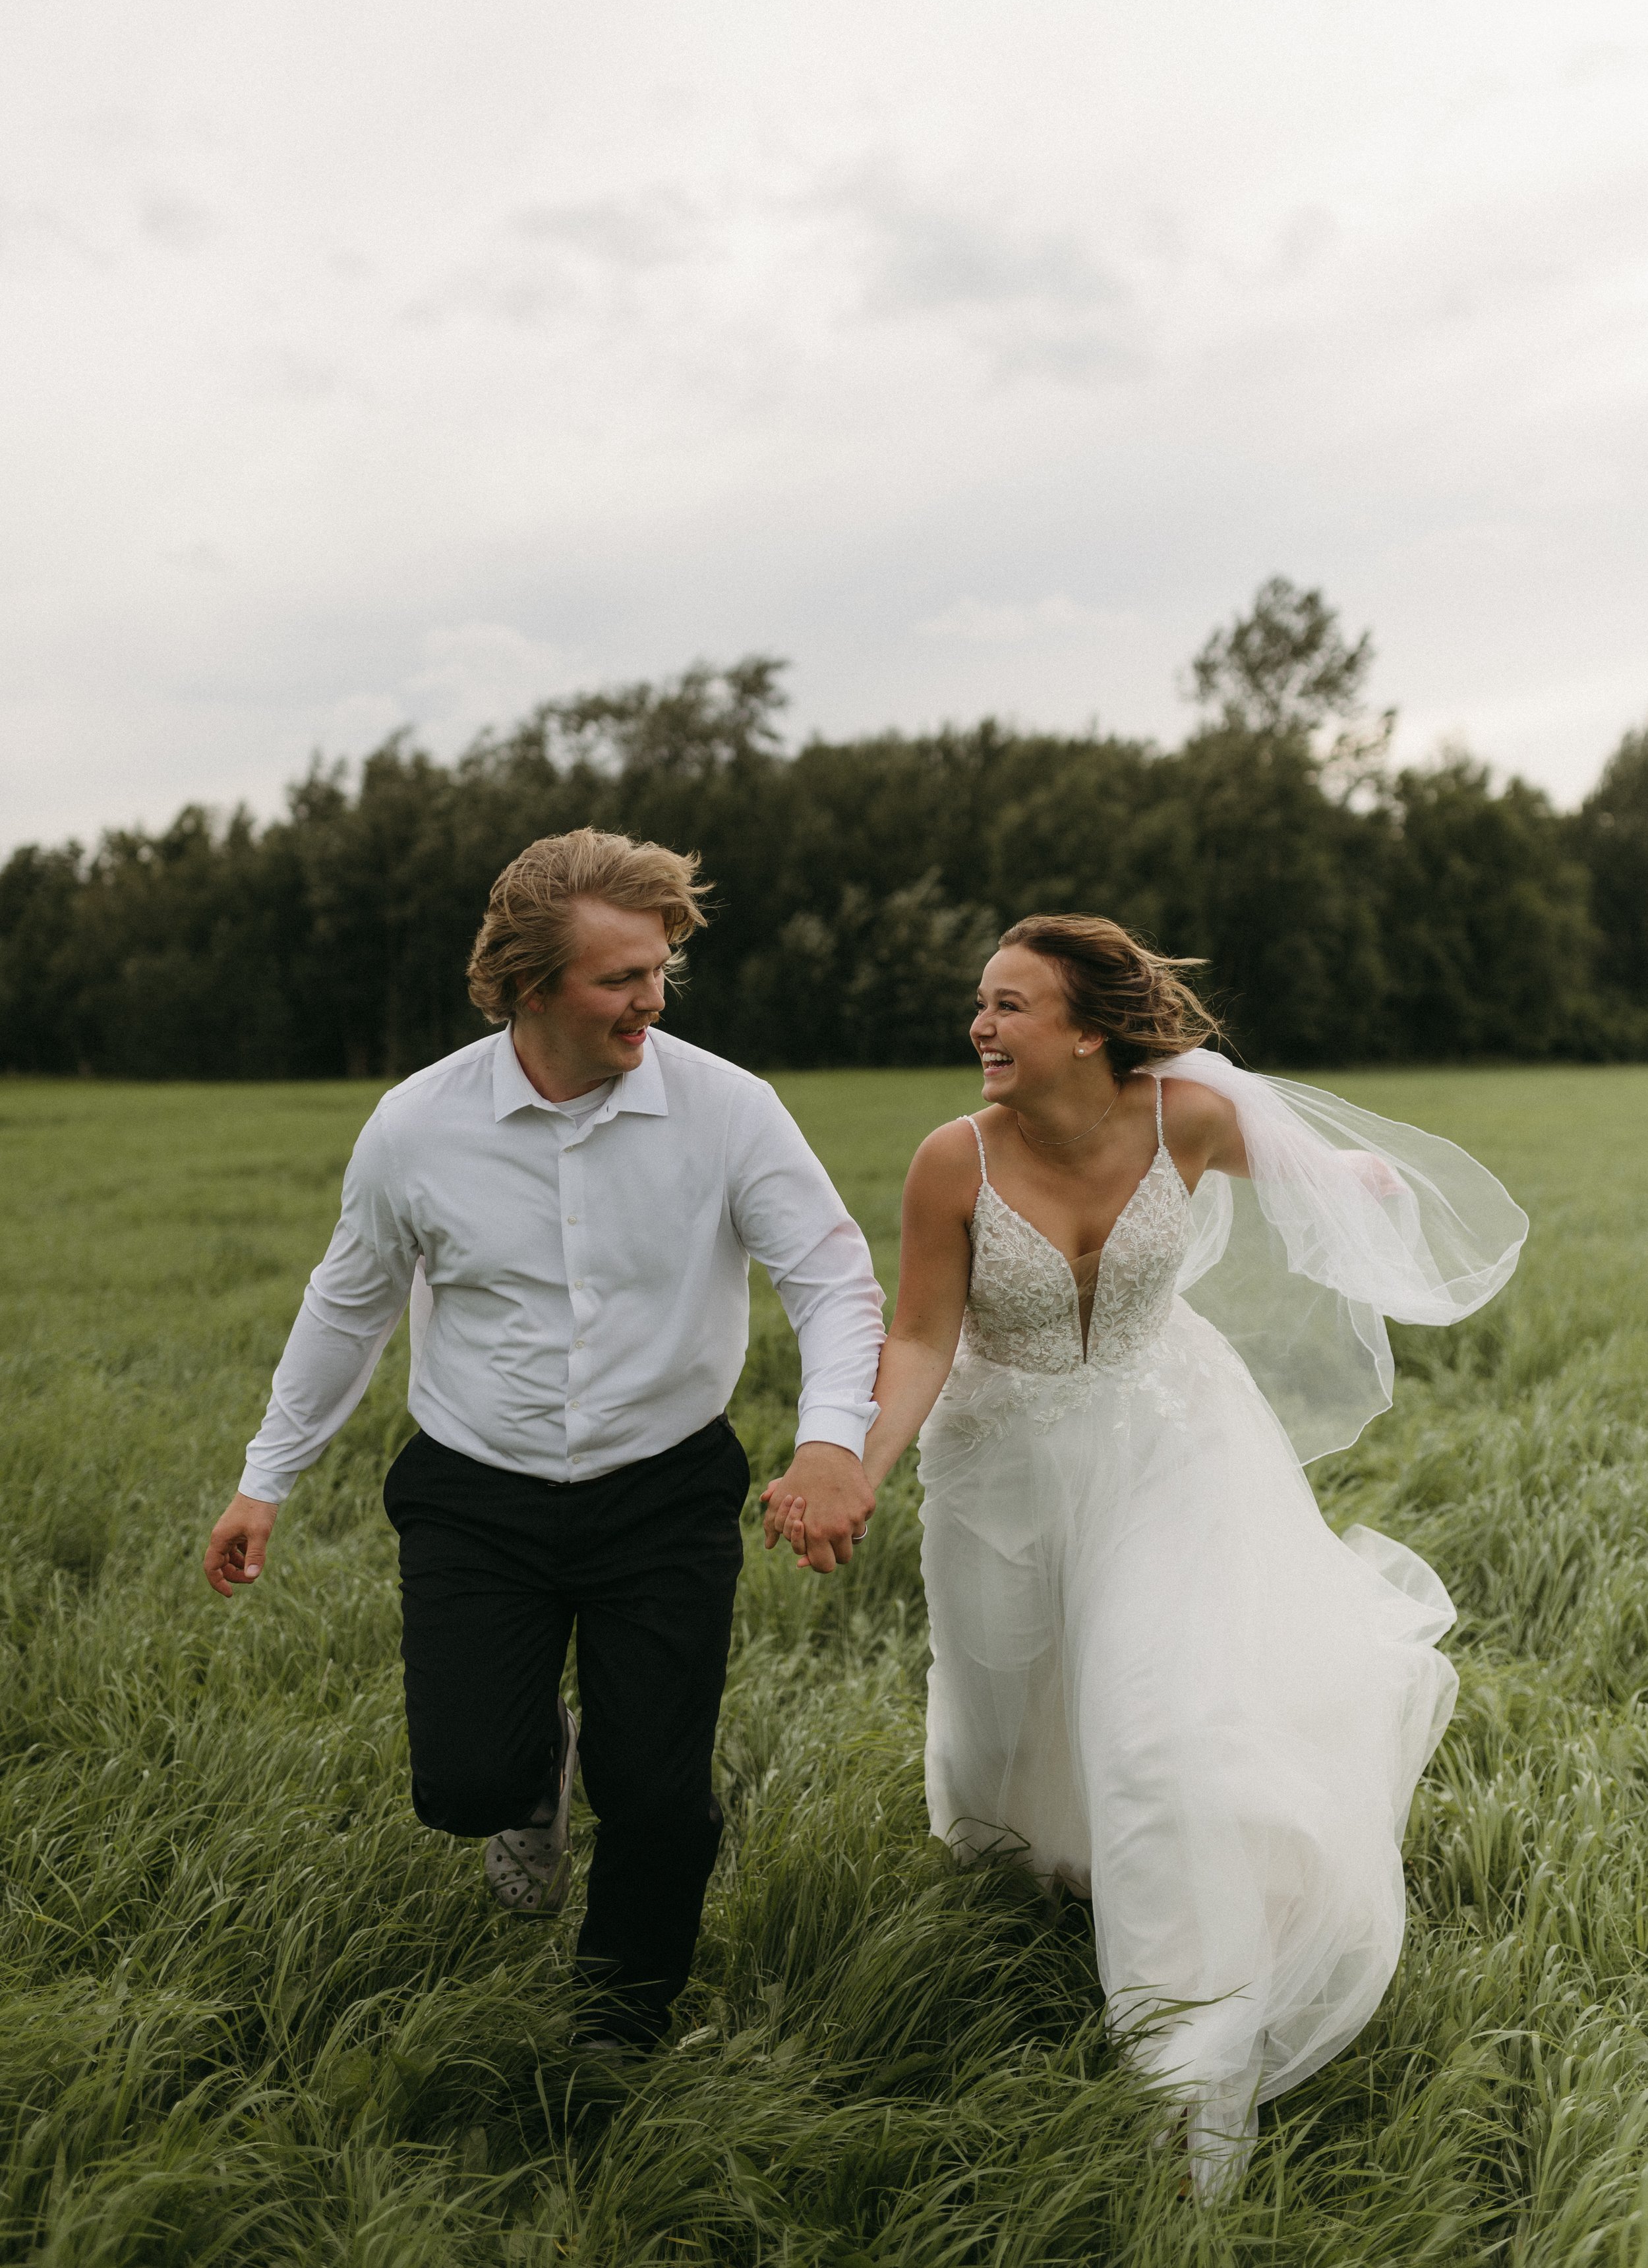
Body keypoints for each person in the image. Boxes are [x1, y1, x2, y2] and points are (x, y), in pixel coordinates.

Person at [766, 914, 1525, 2194]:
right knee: (1009, 1719)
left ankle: (1188, 2062)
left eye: (1009, 1006)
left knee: (1158, 1725)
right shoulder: (950, 1162)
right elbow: (917, 1338)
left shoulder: (1191, 1118)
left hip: (1167, 1445)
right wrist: (851, 1464)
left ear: (1088, 1028)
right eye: (980, 1004)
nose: (980, 1028)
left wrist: (1350, 1185)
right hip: (996, 1465)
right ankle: (1048, 1867)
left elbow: (1306, 1168)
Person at [203, 828, 882, 2049]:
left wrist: (832, 1439)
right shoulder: (417, 1126)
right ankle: (530, 1772)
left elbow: (833, 1279)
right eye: (620, 976)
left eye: (662, 966)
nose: (653, 997)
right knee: (462, 1784)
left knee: (661, 1792)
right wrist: (266, 1482)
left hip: (664, 1489)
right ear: (527, 985)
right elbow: (347, 1305)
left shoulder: (730, 1110)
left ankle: (619, 2023)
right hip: (476, 1491)